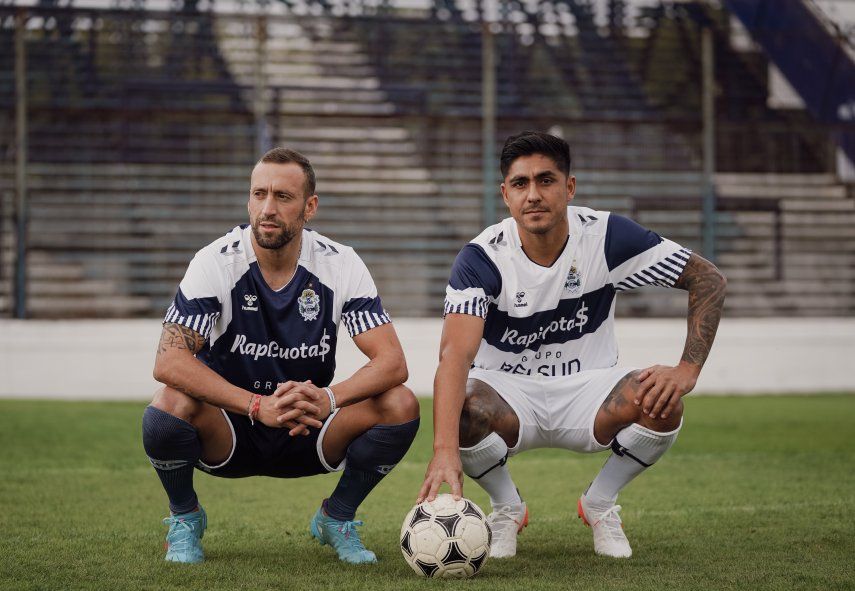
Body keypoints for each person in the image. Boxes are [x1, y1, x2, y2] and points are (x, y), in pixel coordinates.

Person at [418, 131, 726, 559]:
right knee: (463, 409)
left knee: (663, 399)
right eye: (521, 184)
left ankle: (600, 503)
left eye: (546, 180)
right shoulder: (482, 257)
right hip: (507, 393)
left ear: (570, 187)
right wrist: (444, 452)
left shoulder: (607, 236)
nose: (534, 195)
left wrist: (687, 369)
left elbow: (707, 277)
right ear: (505, 194)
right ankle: (507, 507)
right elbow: (455, 355)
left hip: (591, 389)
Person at [143, 147, 420, 565]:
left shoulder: (340, 263)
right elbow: (169, 361)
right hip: (231, 428)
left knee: (400, 403)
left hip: (308, 425)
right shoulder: (215, 261)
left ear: (310, 207)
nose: (267, 208)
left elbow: (392, 362)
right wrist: (257, 405)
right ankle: (185, 518)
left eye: (283, 197)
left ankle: (337, 516)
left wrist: (328, 399)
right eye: (259, 194)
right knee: (166, 408)